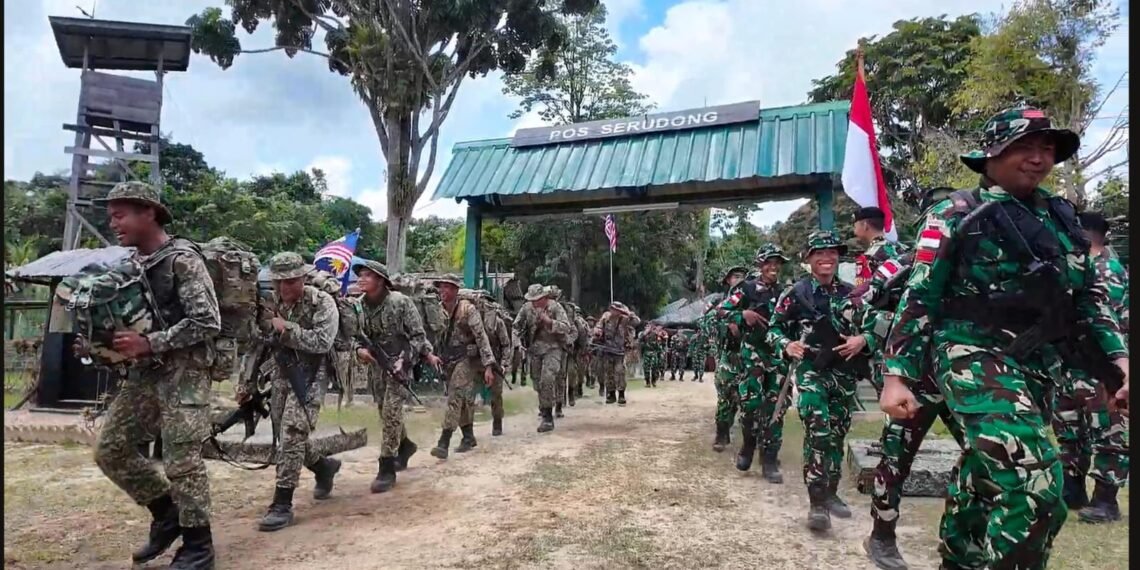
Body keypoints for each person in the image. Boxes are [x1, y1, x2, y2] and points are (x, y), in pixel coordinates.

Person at [879, 107, 1129, 569]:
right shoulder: (954, 213)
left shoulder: (1062, 217)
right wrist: (897, 374)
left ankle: (958, 558)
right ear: (991, 154)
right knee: (1034, 488)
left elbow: (1089, 298)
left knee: (985, 475)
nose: (1038, 159)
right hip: (968, 353)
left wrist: (1119, 363)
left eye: (1047, 149)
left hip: (1038, 363)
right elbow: (919, 295)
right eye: (1024, 148)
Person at [87, 181, 220, 569]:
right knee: (111, 450)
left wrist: (151, 342)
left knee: (182, 459)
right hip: (146, 373)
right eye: (111, 216)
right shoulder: (129, 265)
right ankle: (167, 515)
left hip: (187, 371)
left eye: (120, 214)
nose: (114, 223)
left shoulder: (182, 260)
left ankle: (199, 545)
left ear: (149, 213)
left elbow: (207, 322)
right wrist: (103, 344)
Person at [768, 230, 870, 532]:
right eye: (819, 253)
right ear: (809, 259)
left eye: (832, 253)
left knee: (837, 434)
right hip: (812, 370)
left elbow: (874, 326)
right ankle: (817, 504)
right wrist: (787, 345)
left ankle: (831, 490)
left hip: (844, 371)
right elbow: (774, 328)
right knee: (818, 430)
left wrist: (861, 340)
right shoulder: (796, 293)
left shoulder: (854, 293)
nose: (826, 258)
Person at [249, 252, 341, 531]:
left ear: (302, 277)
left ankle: (282, 504)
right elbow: (260, 343)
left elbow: (323, 342)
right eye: (278, 282)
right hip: (280, 372)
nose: (283, 288)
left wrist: (286, 329)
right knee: (285, 432)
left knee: (292, 431)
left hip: (313, 375)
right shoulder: (271, 302)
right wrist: (247, 383)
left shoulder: (322, 302)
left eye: (290, 281)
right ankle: (323, 467)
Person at [1050, 211, 1130, 524]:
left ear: (1084, 234)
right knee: (1070, 428)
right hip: (1072, 364)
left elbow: (1099, 321)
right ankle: (1073, 489)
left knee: (1108, 429)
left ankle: (1106, 499)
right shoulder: (1078, 268)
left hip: (1101, 364)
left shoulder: (1105, 269)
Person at [352, 260, 442, 492]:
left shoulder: (401, 302)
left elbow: (418, 336)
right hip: (376, 368)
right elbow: (351, 336)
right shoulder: (358, 307)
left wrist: (404, 360)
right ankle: (405, 446)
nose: (361, 279)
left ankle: (386, 468)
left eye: (367, 276)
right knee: (385, 412)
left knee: (391, 413)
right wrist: (359, 351)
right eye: (360, 275)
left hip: (400, 365)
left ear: (381, 281)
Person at [722, 244, 791, 482]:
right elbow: (720, 312)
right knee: (750, 404)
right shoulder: (747, 289)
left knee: (776, 407)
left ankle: (769, 460)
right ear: (760, 264)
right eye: (769, 262)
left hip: (778, 357)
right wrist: (743, 315)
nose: (773, 267)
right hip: (752, 354)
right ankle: (748, 446)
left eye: (777, 263)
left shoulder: (786, 292)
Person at [429, 277, 496, 459]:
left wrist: (489, 366)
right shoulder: (437, 309)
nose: (443, 291)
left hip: (466, 359)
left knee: (455, 396)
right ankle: (468, 436)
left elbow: (481, 337)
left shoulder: (468, 309)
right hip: (447, 360)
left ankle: (444, 442)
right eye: (441, 288)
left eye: (447, 288)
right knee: (463, 400)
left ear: (456, 290)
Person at [513, 284, 574, 432]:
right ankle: (545, 406)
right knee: (537, 382)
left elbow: (566, 327)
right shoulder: (526, 309)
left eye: (537, 300)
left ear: (544, 297)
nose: (534, 303)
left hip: (553, 349)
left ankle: (547, 418)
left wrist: (549, 322)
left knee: (547, 379)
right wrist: (517, 343)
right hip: (535, 350)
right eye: (532, 300)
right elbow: (516, 326)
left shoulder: (555, 307)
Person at [711, 266, 748, 452]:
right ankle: (722, 433)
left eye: (742, 276)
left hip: (752, 355)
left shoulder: (753, 296)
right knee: (726, 395)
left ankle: (752, 440)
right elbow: (713, 319)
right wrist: (729, 324)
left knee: (751, 398)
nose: (739, 279)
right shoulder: (725, 301)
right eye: (735, 276)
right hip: (730, 354)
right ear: (728, 280)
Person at [477, 290, 513, 436]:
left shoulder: (497, 322)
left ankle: (497, 423)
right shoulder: (468, 319)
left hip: (496, 362)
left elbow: (505, 344)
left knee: (495, 395)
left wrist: (504, 364)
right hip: (476, 361)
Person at [593, 302, 640, 405]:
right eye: (613, 309)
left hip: (619, 351)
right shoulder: (606, 317)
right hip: (607, 350)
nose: (614, 311)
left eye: (617, 309)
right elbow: (598, 327)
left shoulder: (624, 319)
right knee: (609, 373)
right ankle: (611, 394)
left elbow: (637, 322)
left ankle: (621, 394)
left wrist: (629, 313)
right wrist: (597, 332)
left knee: (620, 372)